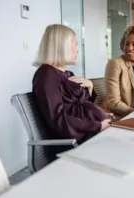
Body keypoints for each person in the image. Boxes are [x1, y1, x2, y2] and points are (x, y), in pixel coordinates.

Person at [32, 24, 110, 159]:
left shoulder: (68, 74)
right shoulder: (46, 75)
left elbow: (80, 106)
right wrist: (97, 126)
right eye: (75, 44)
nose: (77, 50)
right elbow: (58, 119)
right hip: (72, 142)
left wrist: (90, 87)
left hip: (87, 134)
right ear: (60, 46)